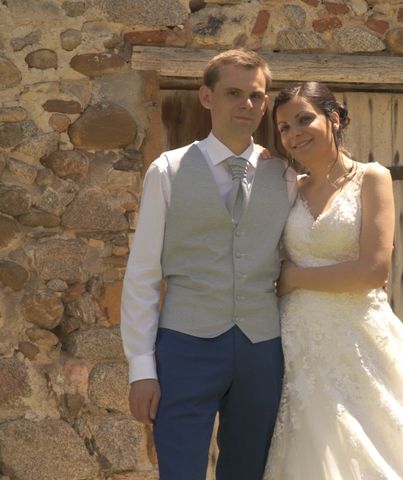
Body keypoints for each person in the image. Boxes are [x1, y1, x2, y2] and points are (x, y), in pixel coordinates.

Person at [263, 82, 403, 480]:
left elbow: (372, 271)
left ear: (333, 117)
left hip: (359, 334)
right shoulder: (289, 189)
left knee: (387, 440)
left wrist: (293, 278)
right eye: (283, 128)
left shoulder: (371, 178)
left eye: (303, 119)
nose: (293, 133)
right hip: (300, 338)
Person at [120, 49, 296, 480]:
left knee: (249, 471)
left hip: (261, 347)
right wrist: (141, 367)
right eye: (234, 93)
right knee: (179, 470)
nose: (247, 105)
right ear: (205, 97)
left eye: (256, 96)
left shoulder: (286, 175)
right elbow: (143, 274)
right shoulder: (169, 170)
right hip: (185, 346)